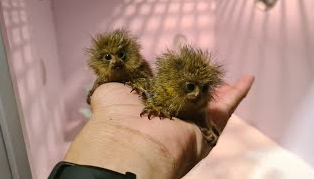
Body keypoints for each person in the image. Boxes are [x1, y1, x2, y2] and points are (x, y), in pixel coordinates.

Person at [49, 75, 255, 179]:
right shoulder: (157, 96)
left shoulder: (199, 108)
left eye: (203, 89)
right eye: (190, 87)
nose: (195, 94)